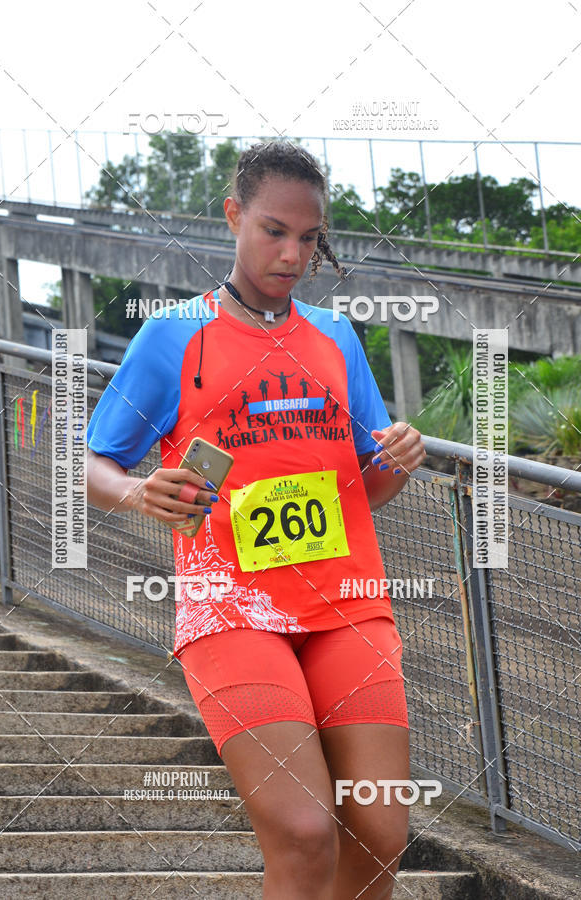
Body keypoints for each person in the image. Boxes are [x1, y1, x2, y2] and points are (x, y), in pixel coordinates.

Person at [86, 140, 426, 900]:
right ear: (235, 216)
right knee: (304, 832)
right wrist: (139, 494)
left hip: (348, 605)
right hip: (232, 608)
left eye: (309, 238)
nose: (293, 253)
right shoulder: (173, 335)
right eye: (274, 230)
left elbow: (365, 490)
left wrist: (396, 460)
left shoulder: (337, 340)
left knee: (379, 831)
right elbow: (92, 467)